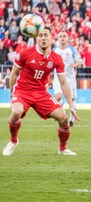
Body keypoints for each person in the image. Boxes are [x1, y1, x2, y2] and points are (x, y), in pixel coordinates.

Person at [3, 27, 80, 156]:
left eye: (46, 35)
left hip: (41, 93)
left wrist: (71, 105)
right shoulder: (25, 53)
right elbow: (13, 74)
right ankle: (13, 141)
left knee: (64, 118)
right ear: (36, 38)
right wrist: (13, 94)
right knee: (15, 112)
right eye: (40, 36)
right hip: (23, 91)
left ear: (51, 38)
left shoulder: (56, 58)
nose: (43, 38)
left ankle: (62, 149)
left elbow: (63, 83)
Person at [53, 31, 83, 127]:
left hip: (70, 78)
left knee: (72, 98)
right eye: (60, 36)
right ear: (58, 38)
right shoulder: (54, 50)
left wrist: (74, 65)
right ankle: (62, 114)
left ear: (67, 38)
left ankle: (71, 120)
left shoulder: (72, 50)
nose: (62, 38)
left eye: (64, 36)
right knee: (57, 97)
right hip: (58, 77)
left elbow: (80, 61)